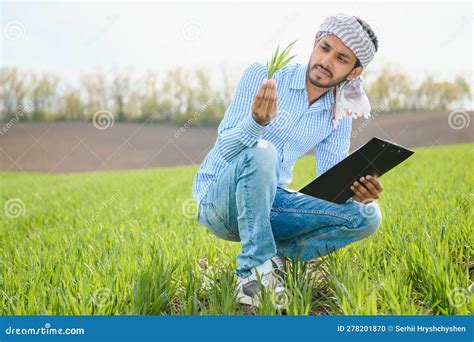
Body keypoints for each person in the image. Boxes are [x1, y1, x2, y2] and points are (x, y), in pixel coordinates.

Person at [192, 14, 383, 308]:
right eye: (324, 47)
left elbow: (329, 186)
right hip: (220, 202)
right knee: (263, 150)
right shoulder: (265, 75)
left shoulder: (338, 111)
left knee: (369, 216)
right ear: (314, 44)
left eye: (341, 58)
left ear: (354, 72)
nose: (326, 60)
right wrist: (256, 122)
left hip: (271, 206)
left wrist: (357, 191)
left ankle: (270, 261)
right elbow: (226, 149)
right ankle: (252, 276)